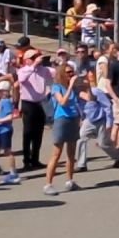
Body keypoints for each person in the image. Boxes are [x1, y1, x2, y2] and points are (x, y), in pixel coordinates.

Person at [42, 63, 81, 195]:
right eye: (68, 72)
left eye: (72, 72)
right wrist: (70, 86)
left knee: (71, 153)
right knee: (56, 153)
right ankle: (48, 184)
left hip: (73, 119)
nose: (71, 74)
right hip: (62, 119)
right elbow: (62, 102)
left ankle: (69, 181)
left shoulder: (73, 87)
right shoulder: (56, 87)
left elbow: (82, 100)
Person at [15, 45, 51, 172]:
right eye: (34, 57)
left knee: (38, 133)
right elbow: (21, 79)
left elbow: (54, 73)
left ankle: (35, 159)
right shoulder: (23, 70)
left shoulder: (43, 70)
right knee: (28, 133)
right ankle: (27, 161)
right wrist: (33, 66)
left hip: (40, 103)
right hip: (28, 104)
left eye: (37, 57)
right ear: (27, 60)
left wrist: (60, 63)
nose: (37, 59)